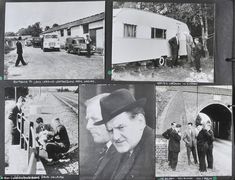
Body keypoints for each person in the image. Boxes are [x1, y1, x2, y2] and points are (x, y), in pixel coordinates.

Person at [95, 89, 155, 180]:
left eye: (121, 127)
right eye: (110, 130)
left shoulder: (155, 152)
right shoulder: (117, 149)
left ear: (140, 122)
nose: (115, 137)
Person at [85, 93, 119, 180]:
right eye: (88, 120)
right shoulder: (110, 148)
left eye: (95, 119)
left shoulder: (122, 155)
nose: (88, 127)